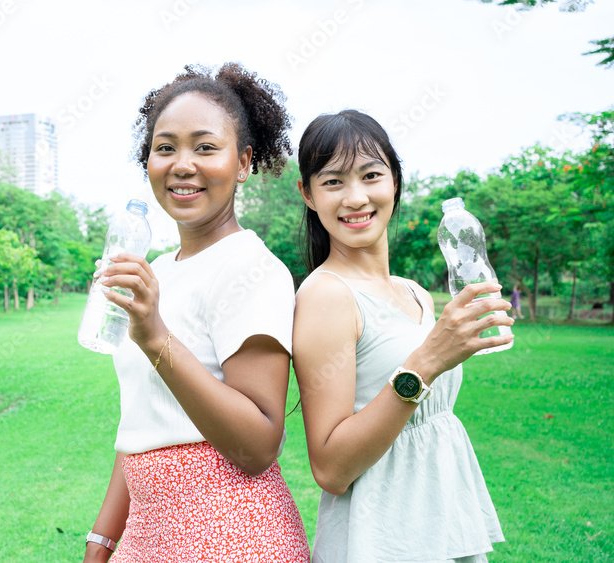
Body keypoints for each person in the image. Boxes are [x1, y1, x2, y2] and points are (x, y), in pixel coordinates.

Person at [84, 63, 309, 563]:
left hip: (229, 531)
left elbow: (257, 444)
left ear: (244, 161)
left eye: (205, 147)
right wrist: (102, 540)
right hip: (149, 531)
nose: (182, 164)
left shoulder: (252, 269)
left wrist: (154, 335)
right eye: (165, 148)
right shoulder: (158, 269)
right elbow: (144, 421)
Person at [291, 110, 512, 562]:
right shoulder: (325, 296)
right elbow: (331, 468)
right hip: (380, 542)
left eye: (371, 175)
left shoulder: (415, 293)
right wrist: (426, 362)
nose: (356, 197)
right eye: (333, 182)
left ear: (395, 181)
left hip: (442, 524)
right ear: (308, 195)